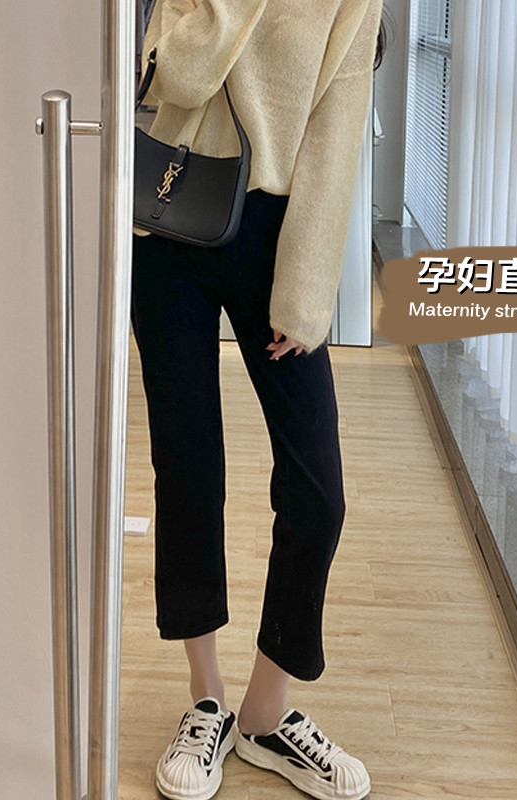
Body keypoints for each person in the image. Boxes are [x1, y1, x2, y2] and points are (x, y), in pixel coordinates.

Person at [130, 1, 385, 798]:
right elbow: (179, 74)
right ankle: (206, 700)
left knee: (318, 490)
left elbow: (337, 126)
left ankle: (267, 714)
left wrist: (306, 290)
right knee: (188, 466)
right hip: (170, 218)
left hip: (278, 234)